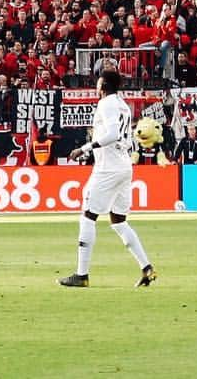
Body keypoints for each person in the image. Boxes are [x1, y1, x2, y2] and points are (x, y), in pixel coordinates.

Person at [59, 69, 156, 288]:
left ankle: (81, 275)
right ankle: (146, 267)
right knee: (119, 221)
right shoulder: (123, 105)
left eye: (98, 83)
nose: (96, 86)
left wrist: (84, 148)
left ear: (102, 85)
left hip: (108, 168)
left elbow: (112, 134)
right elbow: (124, 137)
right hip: (123, 166)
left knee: (88, 216)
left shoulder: (106, 104)